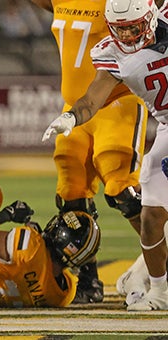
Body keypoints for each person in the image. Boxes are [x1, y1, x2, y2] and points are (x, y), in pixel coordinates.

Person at [42, 0, 168, 310]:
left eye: (134, 28)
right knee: (151, 216)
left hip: (137, 118)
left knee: (124, 189)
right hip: (166, 127)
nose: (127, 37)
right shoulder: (111, 53)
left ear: (150, 18)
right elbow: (91, 98)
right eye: (120, 30)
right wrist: (71, 117)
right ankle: (157, 290)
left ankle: (142, 274)